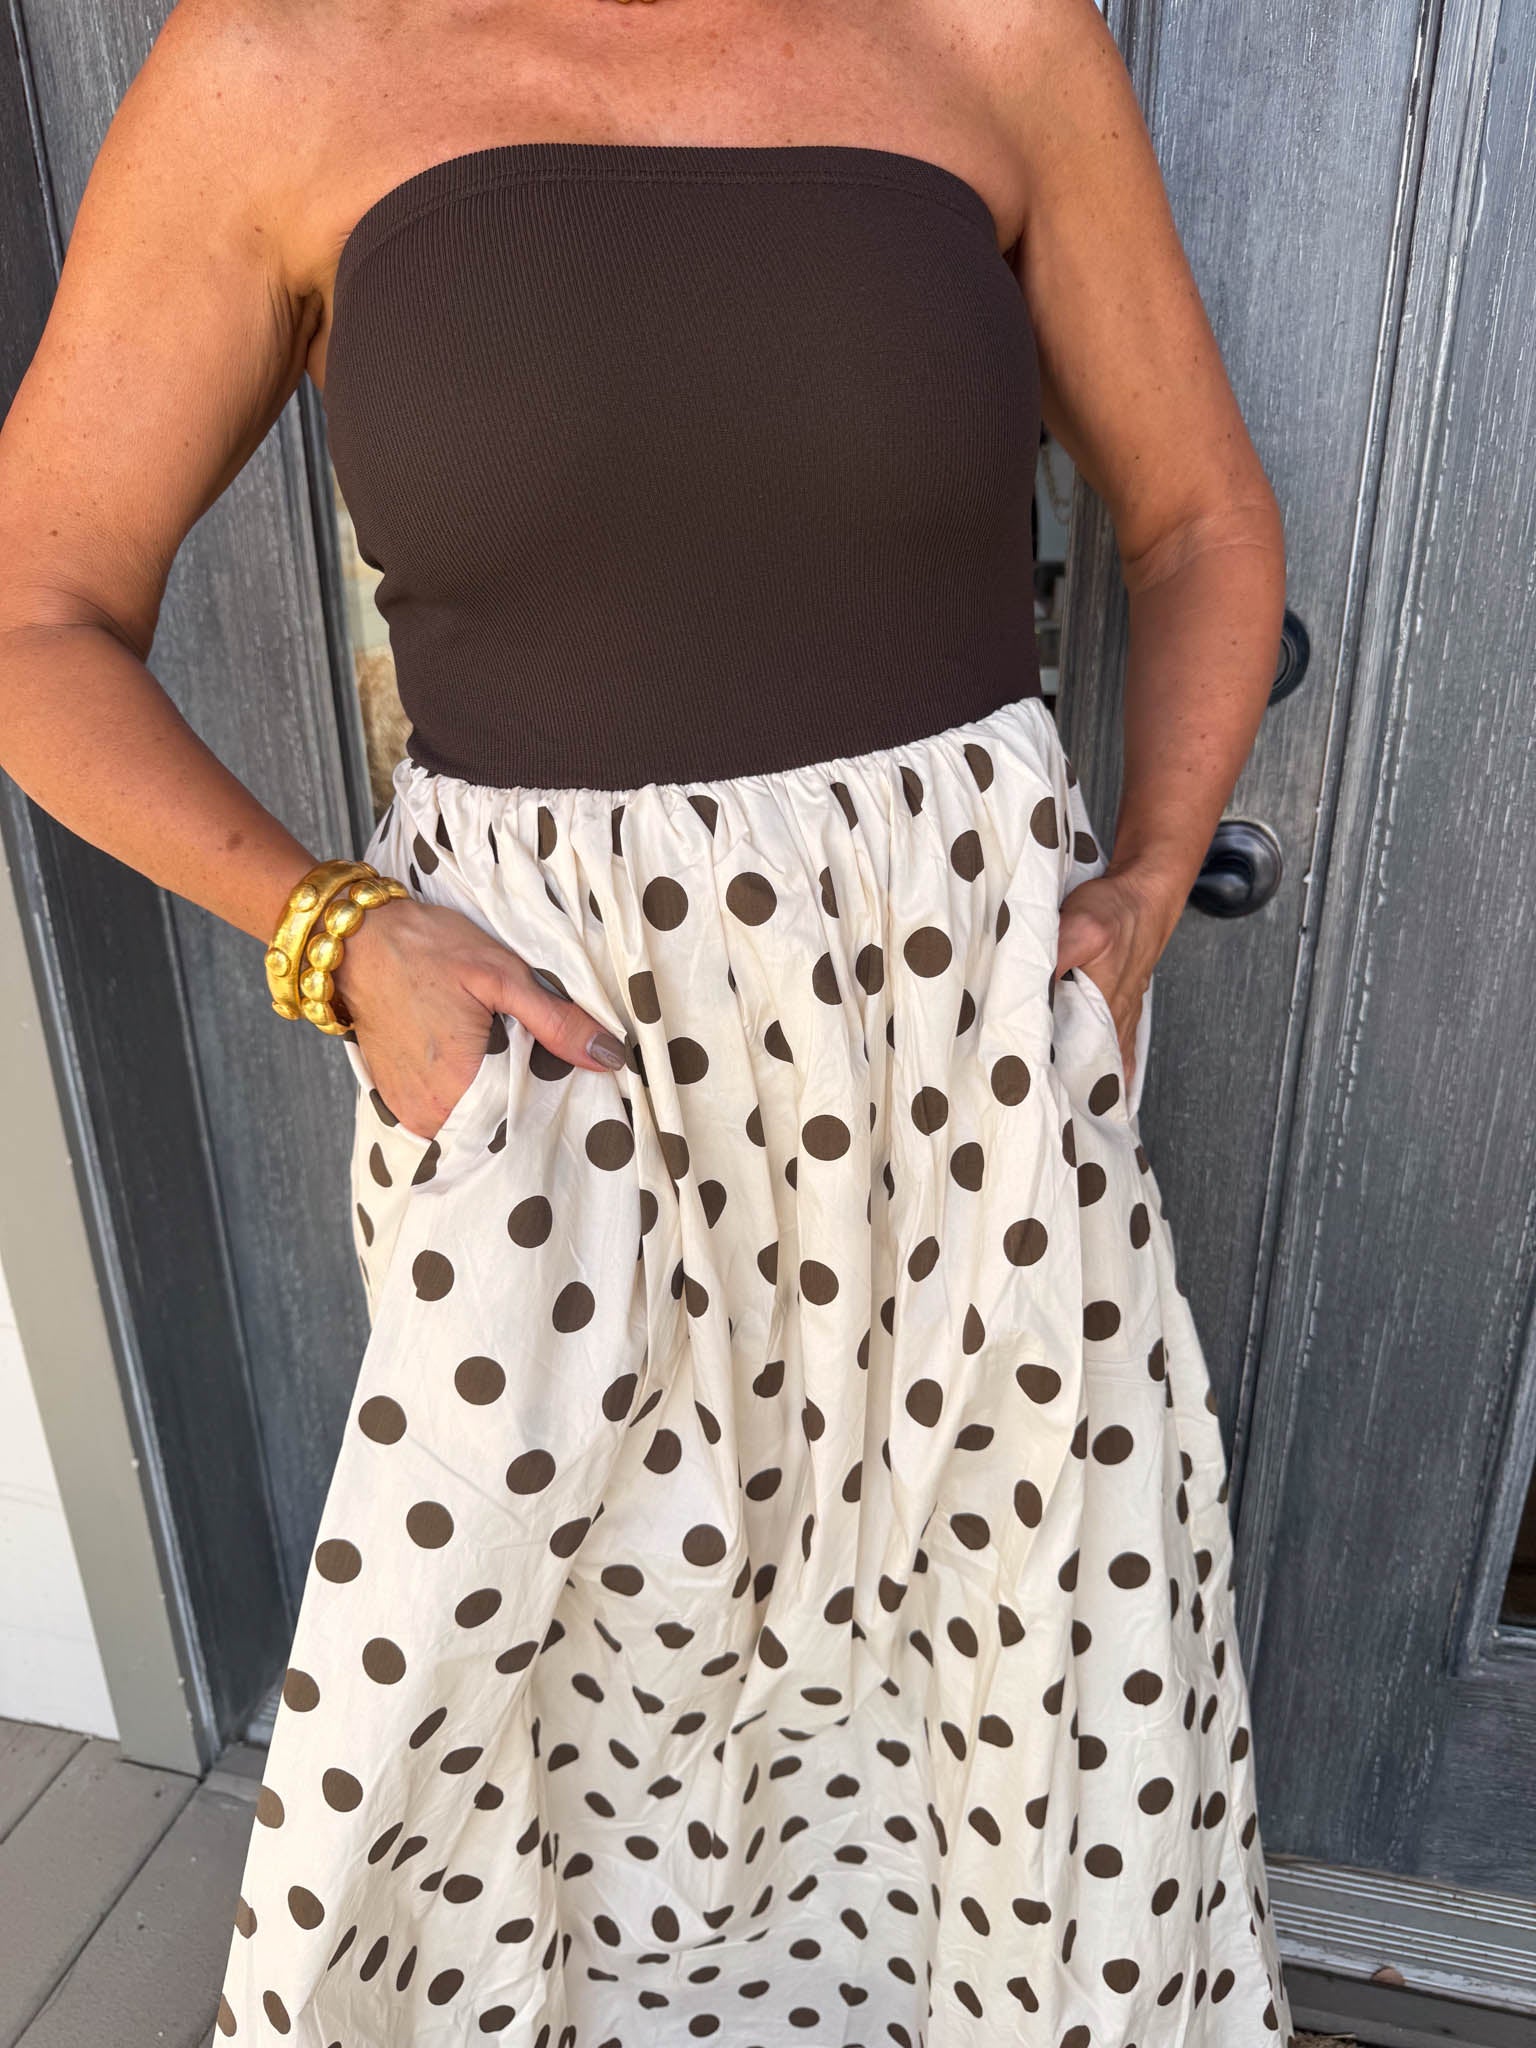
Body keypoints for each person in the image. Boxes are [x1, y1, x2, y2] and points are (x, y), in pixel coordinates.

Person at [0, 1, 1292, 2043]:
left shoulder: (991, 34)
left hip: (962, 1070)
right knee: (539, 1677)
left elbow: (1202, 514)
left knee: (1018, 1630)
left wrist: (1142, 885)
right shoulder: (275, 68)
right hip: (558, 1086)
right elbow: (32, 613)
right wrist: (334, 931)